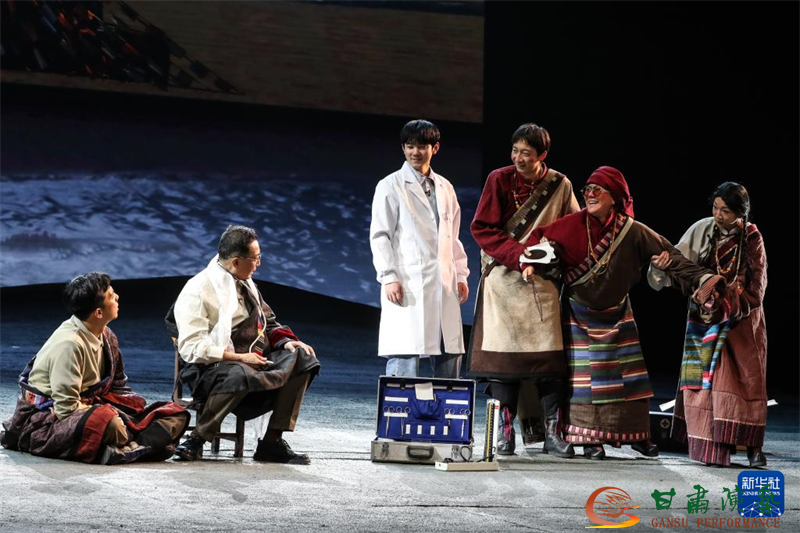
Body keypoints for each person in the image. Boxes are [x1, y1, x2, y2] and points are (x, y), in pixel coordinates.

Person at [526, 166, 723, 460]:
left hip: (618, 314)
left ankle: (636, 435)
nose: (590, 195)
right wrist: (533, 259)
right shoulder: (571, 225)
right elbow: (536, 242)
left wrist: (704, 279)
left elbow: (672, 256)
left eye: (598, 190)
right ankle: (589, 439)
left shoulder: (632, 230)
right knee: (587, 384)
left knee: (629, 380)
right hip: (580, 315)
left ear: (615, 198)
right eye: (587, 190)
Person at [469, 123, 580, 457]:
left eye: (526, 153)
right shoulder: (498, 179)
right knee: (502, 363)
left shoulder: (560, 185)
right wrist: (520, 256)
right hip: (502, 278)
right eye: (515, 151)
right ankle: (504, 434)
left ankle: (553, 434)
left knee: (548, 361)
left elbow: (573, 228)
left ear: (542, 155)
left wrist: (546, 256)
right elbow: (483, 229)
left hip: (541, 282)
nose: (518, 158)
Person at [0, 272, 189, 465]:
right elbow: (65, 409)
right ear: (98, 312)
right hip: (49, 418)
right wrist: (110, 416)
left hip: (96, 406)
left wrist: (126, 412)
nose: (117, 297)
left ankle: (125, 447)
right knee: (108, 423)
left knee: (175, 414)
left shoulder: (106, 335)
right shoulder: (69, 344)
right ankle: (141, 444)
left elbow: (118, 385)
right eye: (111, 296)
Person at [168, 225, 320, 464]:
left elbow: (268, 322)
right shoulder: (198, 290)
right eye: (255, 259)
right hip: (210, 369)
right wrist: (239, 358)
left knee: (304, 358)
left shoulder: (246, 283)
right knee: (239, 372)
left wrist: (288, 342)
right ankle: (197, 439)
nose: (259, 264)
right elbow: (192, 348)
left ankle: (271, 442)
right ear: (236, 262)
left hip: (253, 360)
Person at [648, 182, 767, 467]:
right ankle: (712, 451)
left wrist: (731, 301)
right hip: (703, 319)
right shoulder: (703, 230)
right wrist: (663, 266)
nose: (718, 215)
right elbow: (681, 267)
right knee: (703, 385)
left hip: (741, 321)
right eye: (715, 207)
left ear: (740, 213)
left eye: (725, 210)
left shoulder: (752, 237)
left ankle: (753, 449)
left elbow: (758, 286)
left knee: (742, 383)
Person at [370, 119, 470, 378]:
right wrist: (389, 277)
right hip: (408, 282)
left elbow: (453, 237)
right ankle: (398, 406)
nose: (415, 152)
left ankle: (446, 406)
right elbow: (380, 236)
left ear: (435, 148)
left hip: (443, 283)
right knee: (405, 356)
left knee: (449, 354)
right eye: (409, 146)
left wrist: (460, 275)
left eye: (422, 146)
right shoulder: (390, 185)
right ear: (403, 148)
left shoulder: (445, 187)